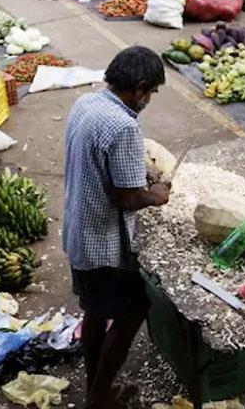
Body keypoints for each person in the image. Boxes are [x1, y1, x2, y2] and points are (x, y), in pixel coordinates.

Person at [63, 47, 171, 409]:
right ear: (140, 87)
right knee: (131, 312)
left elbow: (101, 163)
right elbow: (127, 198)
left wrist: (141, 172)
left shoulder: (87, 103)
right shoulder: (124, 125)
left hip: (78, 232)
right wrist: (154, 195)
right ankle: (97, 400)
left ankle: (99, 388)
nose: (150, 100)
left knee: (94, 310)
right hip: (102, 242)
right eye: (152, 92)